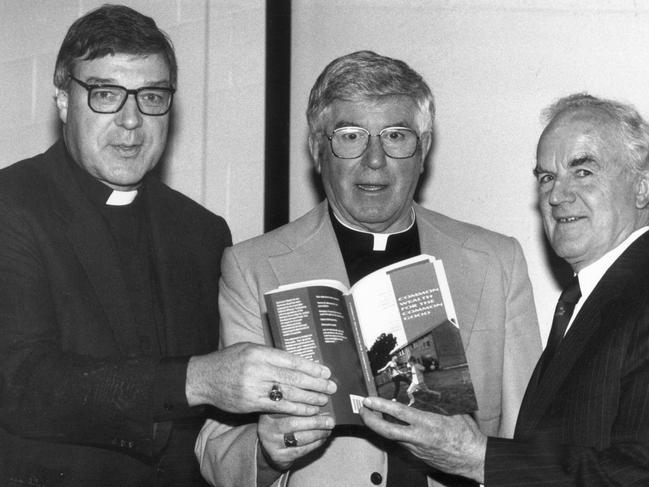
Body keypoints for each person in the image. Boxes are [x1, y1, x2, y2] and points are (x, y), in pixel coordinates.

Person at [0, 5, 335, 486]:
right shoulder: (12, 205)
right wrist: (197, 379)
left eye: (152, 96)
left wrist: (271, 437)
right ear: (62, 99)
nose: (132, 120)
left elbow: (215, 425)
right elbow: (22, 383)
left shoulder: (202, 231)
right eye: (107, 94)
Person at [196, 50, 541, 487]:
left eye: (396, 136)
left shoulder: (496, 261)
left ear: (425, 147)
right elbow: (218, 451)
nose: (374, 159)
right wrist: (268, 451)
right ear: (318, 149)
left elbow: (532, 436)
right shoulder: (253, 266)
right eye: (351, 136)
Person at [359, 93, 649, 485]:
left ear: (643, 188)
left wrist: (478, 457)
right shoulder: (591, 297)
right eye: (546, 177)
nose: (557, 195)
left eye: (583, 171)